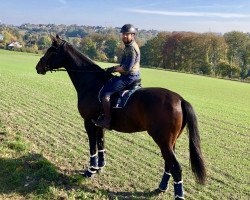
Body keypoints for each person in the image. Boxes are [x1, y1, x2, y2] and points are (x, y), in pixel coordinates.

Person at [93, 24, 141, 129]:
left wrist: (113, 69)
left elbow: (126, 68)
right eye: (123, 34)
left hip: (129, 77)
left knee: (105, 93)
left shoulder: (131, 49)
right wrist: (112, 68)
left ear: (132, 35)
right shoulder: (129, 46)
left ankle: (107, 121)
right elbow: (123, 65)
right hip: (129, 75)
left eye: (127, 34)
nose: (124, 36)